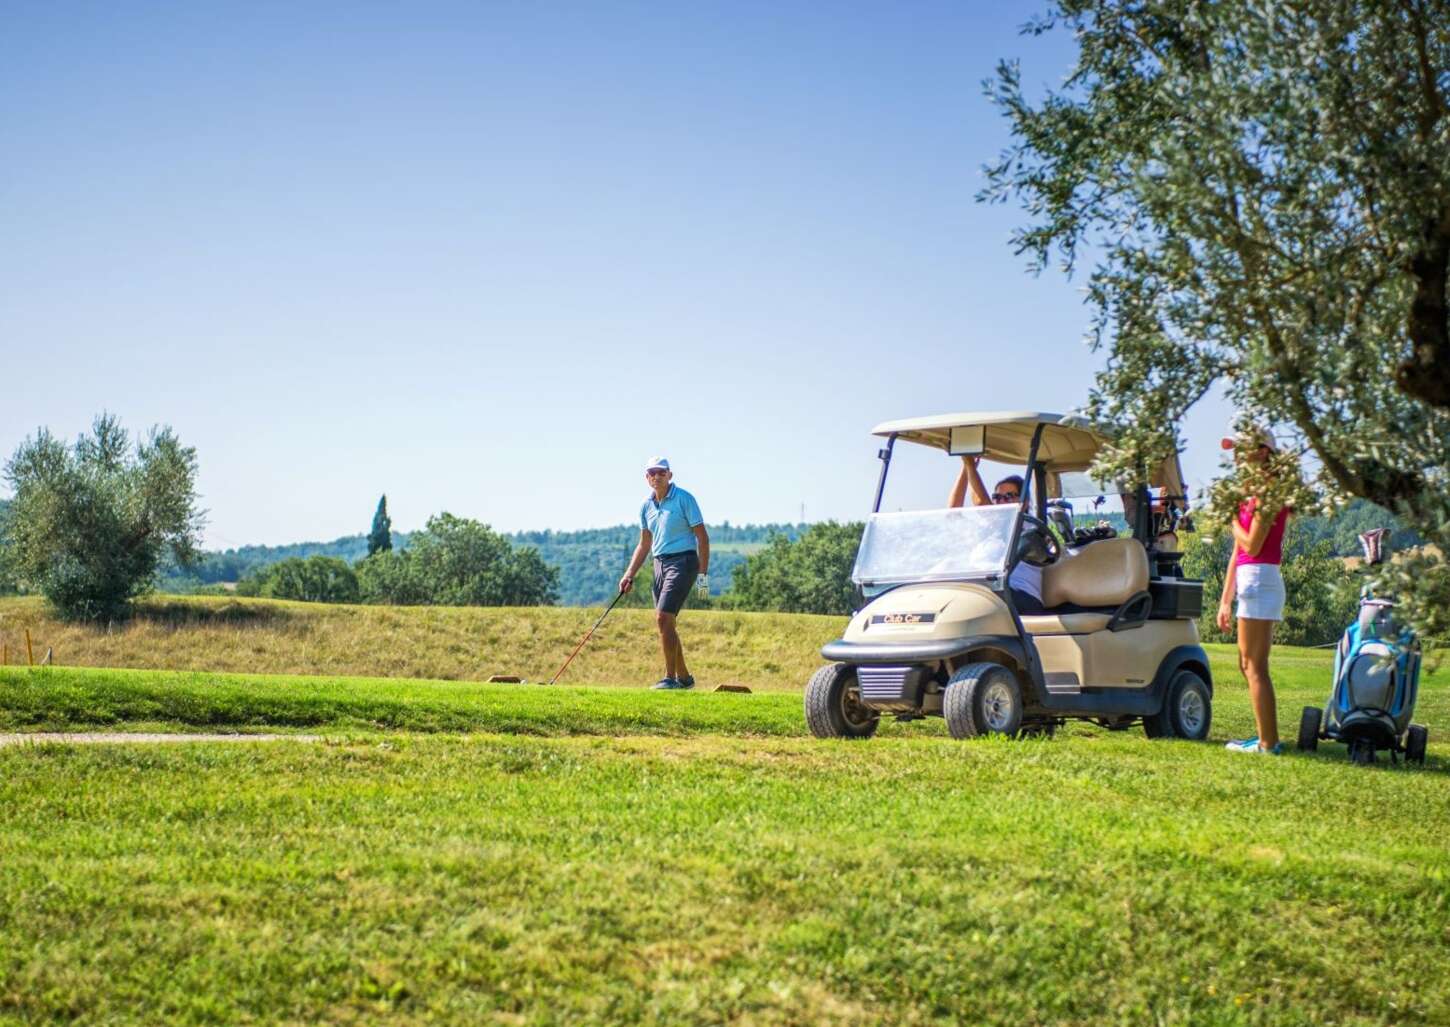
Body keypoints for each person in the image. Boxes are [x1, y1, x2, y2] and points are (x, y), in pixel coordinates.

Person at [1216, 426, 1291, 755]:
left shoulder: (1269, 492)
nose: (1236, 457)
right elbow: (1238, 551)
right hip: (1252, 578)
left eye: (1242, 450)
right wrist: (1225, 600)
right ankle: (1264, 739)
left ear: (1262, 452)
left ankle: (1268, 744)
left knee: (1254, 666)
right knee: (1246, 664)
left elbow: (1253, 543)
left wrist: (1230, 516)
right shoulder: (1252, 493)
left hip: (1260, 577)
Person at [620, 457, 710, 690]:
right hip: (659, 564)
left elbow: (702, 537)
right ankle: (685, 679)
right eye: (652, 473)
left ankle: (669, 679)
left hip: (684, 561)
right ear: (647, 477)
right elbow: (644, 544)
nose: (657, 476)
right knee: (666, 623)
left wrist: (703, 577)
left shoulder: (684, 499)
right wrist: (629, 574)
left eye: (662, 472)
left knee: (663, 618)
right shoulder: (645, 506)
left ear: (670, 475)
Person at [948, 456, 1045, 614]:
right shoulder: (989, 527)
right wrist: (965, 469)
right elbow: (953, 513)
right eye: (997, 497)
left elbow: (981, 505)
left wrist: (970, 466)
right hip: (987, 590)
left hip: (1020, 596)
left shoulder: (1027, 526)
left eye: (1008, 496)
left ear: (1025, 502)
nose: (1002, 502)